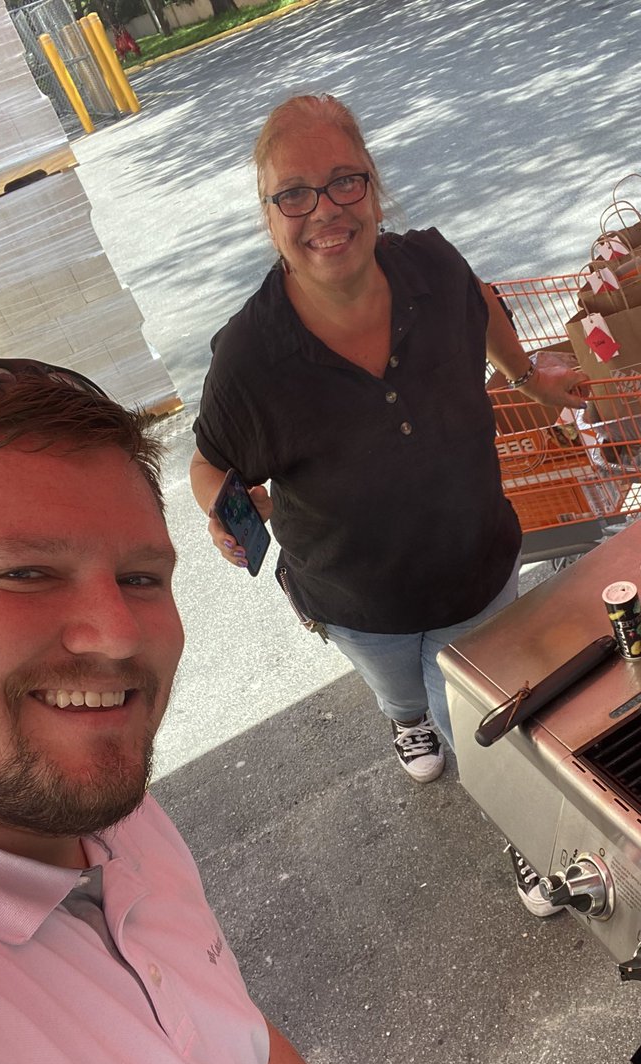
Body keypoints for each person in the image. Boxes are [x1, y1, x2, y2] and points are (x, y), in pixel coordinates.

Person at [0, 356, 394, 1064]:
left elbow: (236, 1050)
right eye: (25, 573)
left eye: (140, 578)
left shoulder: (115, 810)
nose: (118, 635)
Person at [189, 94, 587, 916]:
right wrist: (223, 510)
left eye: (344, 182)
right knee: (401, 691)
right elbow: (208, 459)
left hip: (477, 565)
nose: (324, 211)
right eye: (293, 193)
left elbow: (477, 300)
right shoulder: (250, 358)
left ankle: (526, 837)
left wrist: (525, 377)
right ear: (268, 215)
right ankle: (405, 718)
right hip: (354, 595)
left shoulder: (430, 265)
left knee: (484, 727)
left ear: (373, 188)